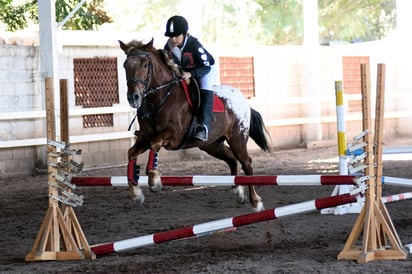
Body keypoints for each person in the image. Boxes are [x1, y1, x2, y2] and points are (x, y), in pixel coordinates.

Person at [164, 15, 217, 142]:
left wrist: (191, 74)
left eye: (176, 36)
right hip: (186, 71)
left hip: (205, 70)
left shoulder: (195, 45)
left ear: (185, 33)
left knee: (205, 88)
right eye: (171, 36)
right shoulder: (169, 46)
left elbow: (206, 67)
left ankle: (203, 127)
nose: (173, 39)